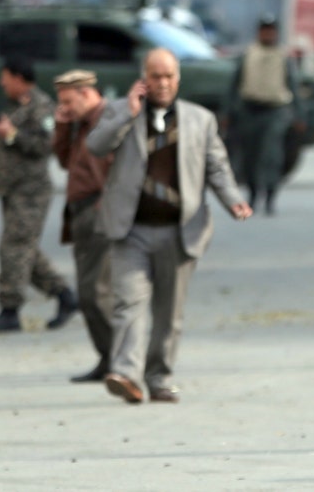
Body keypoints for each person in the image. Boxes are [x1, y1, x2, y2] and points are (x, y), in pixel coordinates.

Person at [87, 49, 251, 404]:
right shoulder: (119, 110)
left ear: (178, 79)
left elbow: (217, 167)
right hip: (131, 230)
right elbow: (96, 146)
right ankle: (126, 374)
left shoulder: (200, 120)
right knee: (127, 304)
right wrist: (127, 116)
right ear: (143, 77)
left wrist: (232, 199)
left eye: (168, 76)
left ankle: (158, 377)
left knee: (168, 313)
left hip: (180, 230)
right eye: (155, 76)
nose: (162, 83)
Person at [0, 57, 78, 333]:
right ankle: (65, 296)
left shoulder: (41, 107)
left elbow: (45, 145)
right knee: (24, 249)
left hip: (30, 192)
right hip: (11, 189)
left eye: (5, 77)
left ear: (19, 78)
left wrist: (13, 134)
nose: (2, 83)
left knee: (14, 248)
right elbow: (4, 144)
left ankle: (10, 310)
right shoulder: (17, 107)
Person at [52, 69, 113, 382]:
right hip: (79, 215)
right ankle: (109, 359)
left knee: (95, 293)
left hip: (99, 212)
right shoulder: (80, 124)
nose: (64, 109)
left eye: (68, 102)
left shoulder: (108, 121)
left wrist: (112, 203)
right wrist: (63, 127)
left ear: (87, 94)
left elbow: (126, 165)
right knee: (90, 293)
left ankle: (122, 360)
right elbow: (64, 162)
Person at [230, 15, 301, 215]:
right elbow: (234, 85)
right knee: (250, 156)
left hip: (275, 111)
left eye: (271, 30)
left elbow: (293, 86)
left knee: (272, 156)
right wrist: (229, 111)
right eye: (264, 30)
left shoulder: (283, 56)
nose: (268, 34)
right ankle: (253, 193)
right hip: (250, 111)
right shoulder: (248, 54)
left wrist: (299, 115)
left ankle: (270, 196)